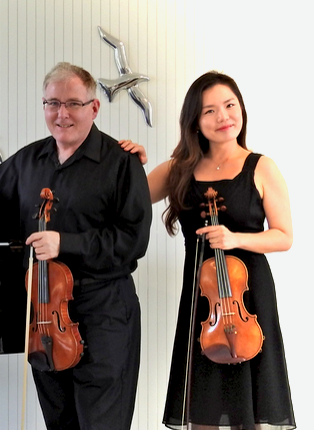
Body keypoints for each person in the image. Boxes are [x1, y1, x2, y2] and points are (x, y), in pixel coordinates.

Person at [0, 62, 152, 429]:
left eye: (73, 103)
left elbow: (133, 241)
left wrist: (64, 243)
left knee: (103, 422)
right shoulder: (30, 160)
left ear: (94, 108)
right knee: (59, 421)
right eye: (52, 103)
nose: (62, 113)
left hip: (104, 313)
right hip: (45, 315)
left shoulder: (122, 163)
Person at [122, 71, 295, 429]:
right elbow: (128, 198)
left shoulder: (261, 167)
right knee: (202, 409)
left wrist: (235, 239)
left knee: (249, 411)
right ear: (195, 122)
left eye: (229, 106)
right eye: (210, 111)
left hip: (249, 301)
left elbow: (283, 236)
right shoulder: (178, 169)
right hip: (203, 305)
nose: (223, 117)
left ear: (241, 109)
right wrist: (131, 163)